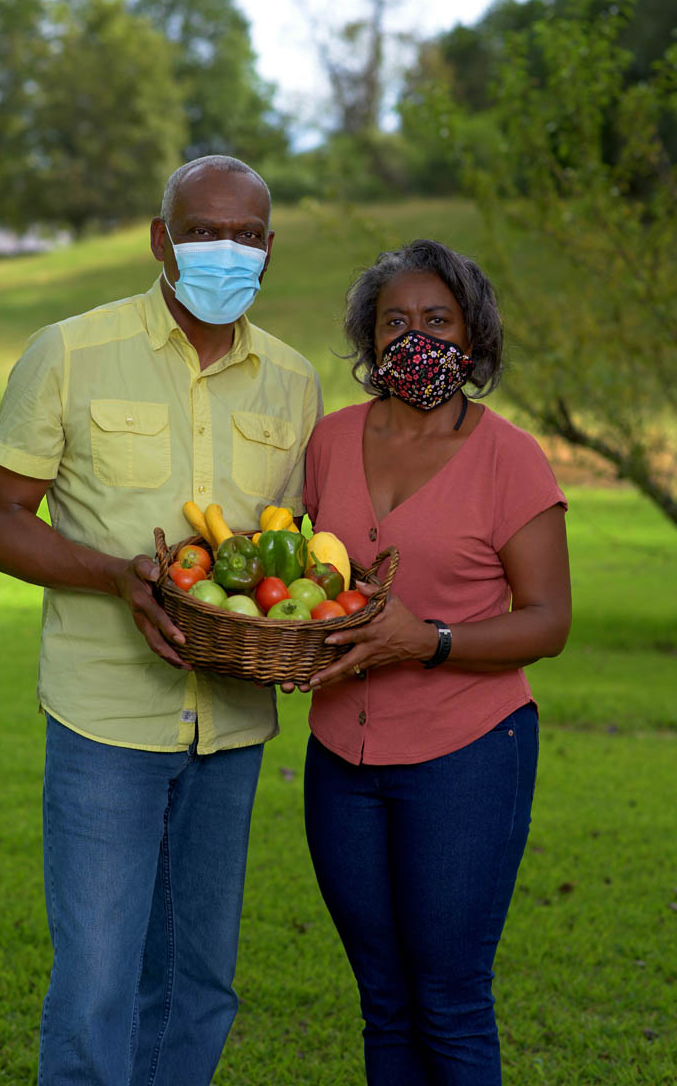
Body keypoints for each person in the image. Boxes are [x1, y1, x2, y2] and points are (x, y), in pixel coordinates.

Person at [0, 155, 322, 1086]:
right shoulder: (70, 351)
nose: (225, 250)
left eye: (246, 236)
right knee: (94, 985)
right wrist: (114, 576)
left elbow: (290, 557)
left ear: (269, 250)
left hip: (232, 720)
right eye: (204, 230)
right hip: (104, 716)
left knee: (198, 983)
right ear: (161, 239)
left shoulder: (293, 382)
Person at [289, 238, 571, 1085]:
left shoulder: (508, 457)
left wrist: (432, 640)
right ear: (367, 343)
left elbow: (548, 622)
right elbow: (308, 575)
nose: (415, 338)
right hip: (341, 758)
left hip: (467, 755)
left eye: (436, 320)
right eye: (394, 322)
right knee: (383, 1000)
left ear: (473, 338)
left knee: (447, 1001)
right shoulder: (329, 443)